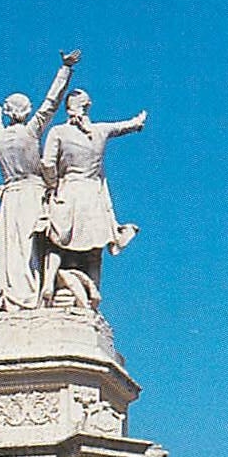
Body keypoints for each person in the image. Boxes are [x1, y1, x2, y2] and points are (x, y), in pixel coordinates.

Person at [0, 50, 80, 314]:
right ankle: (33, 297)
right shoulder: (31, 130)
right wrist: (66, 69)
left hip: (10, 199)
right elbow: (52, 102)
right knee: (35, 247)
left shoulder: (0, 136)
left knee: (10, 250)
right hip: (32, 195)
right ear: (25, 111)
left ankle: (13, 297)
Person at [41, 90, 147, 309]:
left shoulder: (58, 132)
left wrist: (51, 185)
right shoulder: (100, 130)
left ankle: (49, 282)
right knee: (94, 250)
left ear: (68, 108)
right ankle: (93, 295)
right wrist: (137, 122)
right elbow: (122, 126)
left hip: (69, 191)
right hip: (92, 196)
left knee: (56, 241)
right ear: (87, 106)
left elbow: (47, 164)